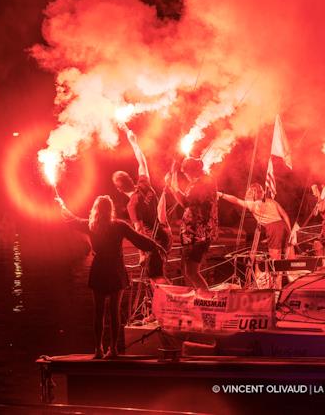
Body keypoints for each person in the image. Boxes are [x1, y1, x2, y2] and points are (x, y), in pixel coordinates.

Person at [58, 195, 161, 359]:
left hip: (99, 270)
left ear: (96, 209)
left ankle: (98, 349)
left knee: (98, 312)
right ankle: (113, 349)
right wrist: (154, 245)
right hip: (115, 271)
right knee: (114, 311)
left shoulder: (90, 225)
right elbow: (138, 239)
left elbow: (71, 219)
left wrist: (62, 205)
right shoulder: (119, 225)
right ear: (110, 209)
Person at [114, 127, 172, 280]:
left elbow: (138, 231)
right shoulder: (144, 184)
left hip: (154, 243)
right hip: (165, 235)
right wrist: (134, 143)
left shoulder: (132, 205)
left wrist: (141, 255)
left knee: (156, 277)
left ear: (119, 190)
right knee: (160, 274)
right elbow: (142, 162)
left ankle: (170, 302)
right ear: (131, 180)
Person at [219, 183, 291, 286]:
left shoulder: (253, 205)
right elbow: (284, 214)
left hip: (273, 228)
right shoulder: (272, 201)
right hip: (283, 226)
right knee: (285, 256)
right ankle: (285, 282)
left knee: (276, 259)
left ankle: (277, 287)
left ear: (253, 193)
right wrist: (289, 230)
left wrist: (221, 195)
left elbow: (235, 200)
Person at [169, 157, 218, 288]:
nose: (186, 176)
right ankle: (197, 299)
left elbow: (184, 202)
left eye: (185, 173)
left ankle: (206, 298)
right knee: (189, 271)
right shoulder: (207, 180)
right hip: (201, 233)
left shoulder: (199, 184)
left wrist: (173, 180)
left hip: (196, 235)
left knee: (191, 272)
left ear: (191, 171)